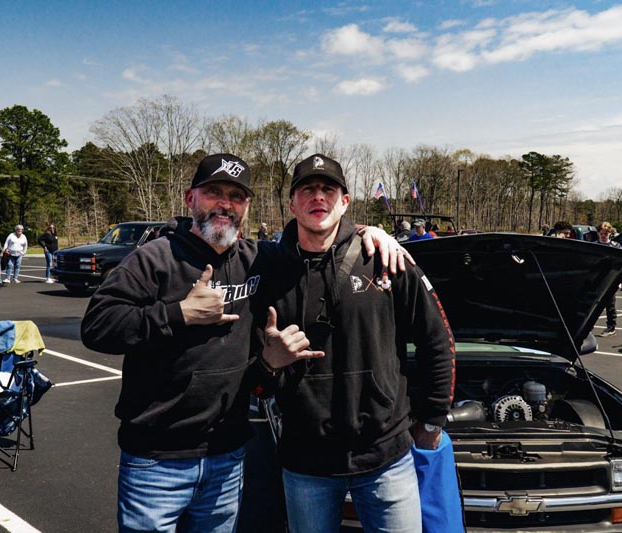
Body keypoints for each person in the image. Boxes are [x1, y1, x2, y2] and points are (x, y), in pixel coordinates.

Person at [80, 153, 412, 533]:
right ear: (191, 199)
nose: (224, 204)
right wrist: (179, 314)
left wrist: (370, 232)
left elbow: (317, 235)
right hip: (157, 460)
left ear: (247, 207)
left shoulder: (259, 259)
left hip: (226, 455)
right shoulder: (154, 260)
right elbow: (97, 326)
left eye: (236, 197)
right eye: (213, 192)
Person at [254, 153, 456, 532]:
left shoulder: (385, 259)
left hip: (386, 458)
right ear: (292, 203)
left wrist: (431, 421)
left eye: (328, 189)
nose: (319, 197)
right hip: (305, 463)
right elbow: (256, 383)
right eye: (307, 190)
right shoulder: (267, 271)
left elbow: (437, 341)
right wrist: (269, 364)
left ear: (344, 201)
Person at [598, 221, 622, 337]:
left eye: (605, 234)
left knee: (610, 305)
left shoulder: (615, 246)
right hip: (596, 279)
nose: (603, 236)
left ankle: (611, 327)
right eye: (601, 233)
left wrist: (619, 281)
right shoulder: (594, 246)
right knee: (592, 304)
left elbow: (621, 265)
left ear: (610, 234)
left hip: (610, 280)